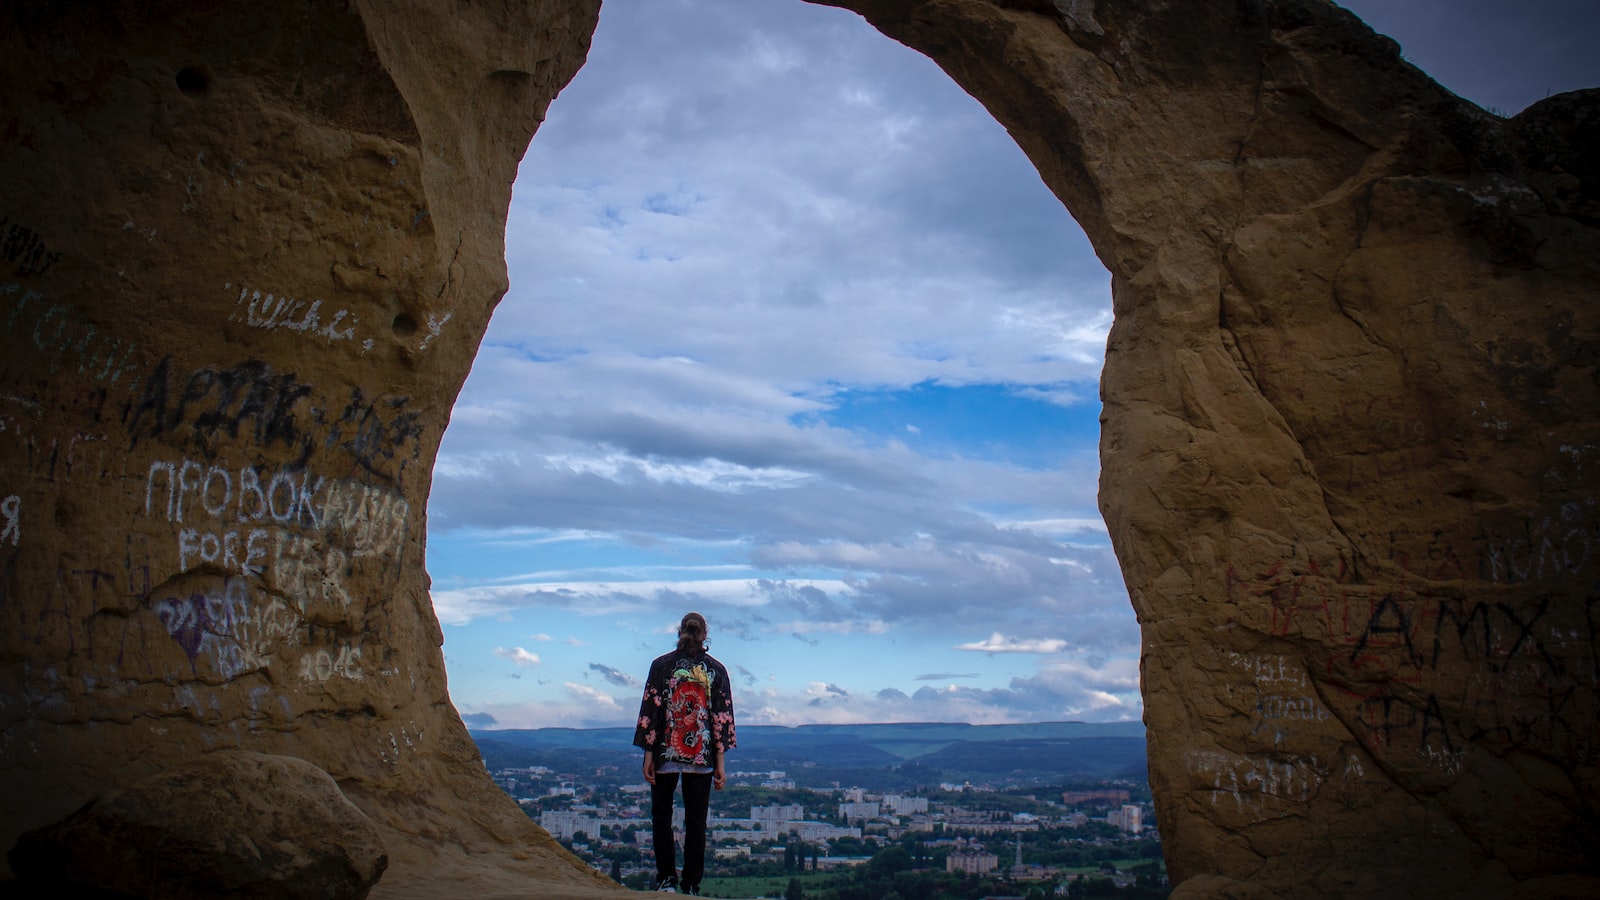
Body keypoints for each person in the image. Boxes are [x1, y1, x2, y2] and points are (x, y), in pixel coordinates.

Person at [632, 612, 736, 895]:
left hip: (665, 752)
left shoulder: (661, 666)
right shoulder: (717, 670)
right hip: (702, 757)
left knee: (662, 817)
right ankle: (691, 885)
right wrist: (721, 763)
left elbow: (650, 712)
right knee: (696, 822)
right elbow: (722, 719)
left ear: (680, 632)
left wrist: (648, 755)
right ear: (705, 634)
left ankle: (667, 880)